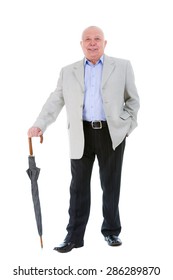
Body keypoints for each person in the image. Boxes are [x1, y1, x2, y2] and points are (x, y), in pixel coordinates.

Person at [28, 26, 140, 253]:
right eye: (87, 39)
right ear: (81, 44)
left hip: (112, 134)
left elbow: (133, 101)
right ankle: (73, 237)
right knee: (78, 188)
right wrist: (40, 124)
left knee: (110, 185)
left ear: (105, 43)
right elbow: (55, 100)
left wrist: (125, 127)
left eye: (97, 38)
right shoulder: (68, 71)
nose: (92, 43)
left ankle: (111, 232)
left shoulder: (122, 66)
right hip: (81, 134)